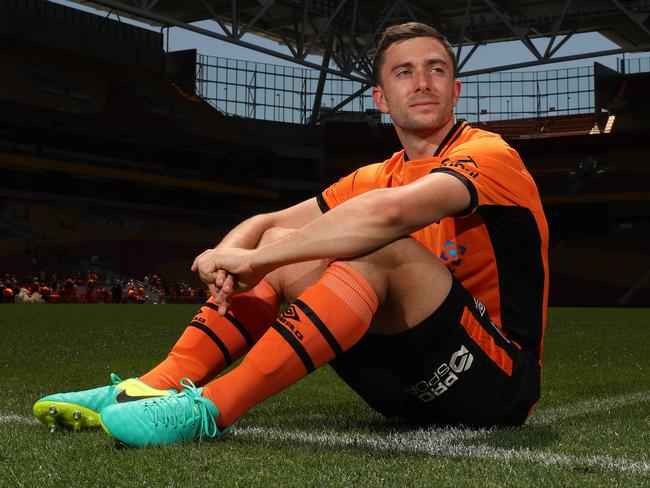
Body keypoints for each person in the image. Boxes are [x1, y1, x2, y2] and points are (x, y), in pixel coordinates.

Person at [33, 22, 548, 447]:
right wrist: (229, 251)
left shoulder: (489, 155)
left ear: (456, 90)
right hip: (401, 389)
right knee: (284, 241)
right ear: (380, 96)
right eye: (404, 72)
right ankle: (150, 386)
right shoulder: (375, 174)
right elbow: (267, 224)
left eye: (437, 70)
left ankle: (210, 409)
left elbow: (391, 217)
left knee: (373, 244)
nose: (423, 82)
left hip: (492, 383)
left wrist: (260, 261)